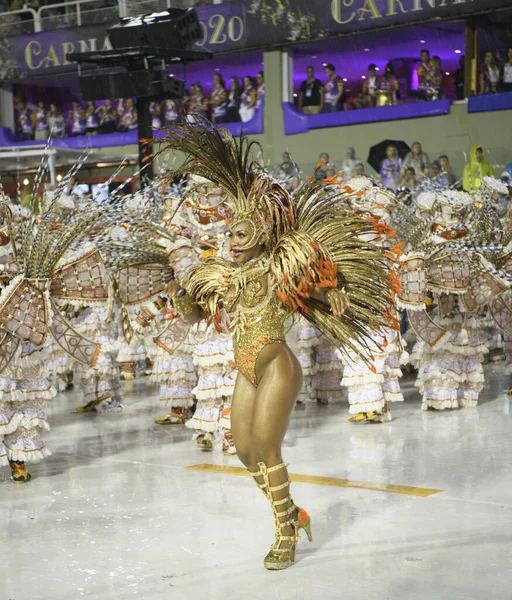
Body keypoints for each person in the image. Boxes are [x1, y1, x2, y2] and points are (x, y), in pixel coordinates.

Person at [161, 117, 396, 571]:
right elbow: (194, 316)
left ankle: (285, 534)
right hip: (245, 369)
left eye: (242, 233)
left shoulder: (279, 268)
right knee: (246, 451)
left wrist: (335, 290)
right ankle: (293, 512)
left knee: (267, 449)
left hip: (277, 365)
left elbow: (317, 287)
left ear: (263, 235)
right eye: (230, 233)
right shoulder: (223, 277)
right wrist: (181, 299)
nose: (233, 240)